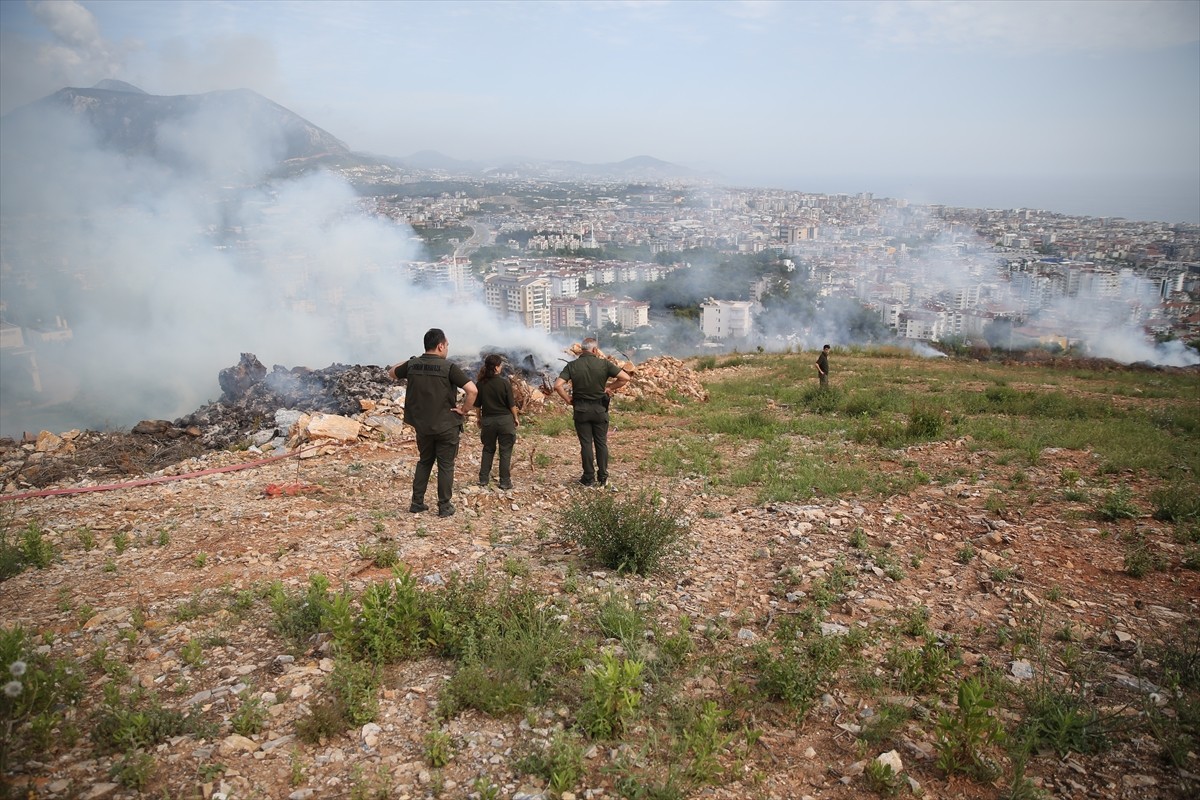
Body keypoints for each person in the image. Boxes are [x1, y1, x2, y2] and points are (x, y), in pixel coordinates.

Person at [389, 328, 477, 517]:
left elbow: (392, 373)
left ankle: (417, 502)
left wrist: (410, 360)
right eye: (446, 345)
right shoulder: (449, 367)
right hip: (446, 425)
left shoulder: (413, 365)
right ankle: (444, 506)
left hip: (422, 426)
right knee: (446, 465)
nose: (447, 349)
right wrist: (463, 410)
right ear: (440, 346)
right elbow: (473, 391)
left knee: (425, 461)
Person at [553, 338, 630, 487]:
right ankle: (603, 477)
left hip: (581, 410)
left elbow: (557, 385)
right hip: (599, 409)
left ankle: (588, 477)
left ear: (582, 350)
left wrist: (568, 399)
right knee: (601, 443)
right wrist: (609, 388)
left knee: (586, 444)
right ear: (594, 350)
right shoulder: (604, 364)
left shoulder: (572, 365)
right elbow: (625, 378)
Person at [473, 353, 519, 490]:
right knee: (505, 451)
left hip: (488, 421)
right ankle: (505, 482)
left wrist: (479, 419)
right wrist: (515, 418)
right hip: (505, 421)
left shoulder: (480, 384)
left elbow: (477, 406)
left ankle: (483, 479)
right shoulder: (504, 383)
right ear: (497, 367)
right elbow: (512, 405)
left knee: (488, 449)